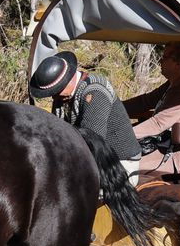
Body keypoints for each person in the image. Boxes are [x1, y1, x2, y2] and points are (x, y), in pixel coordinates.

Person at [30, 51, 142, 182]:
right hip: (91, 159)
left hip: (119, 164)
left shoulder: (95, 91)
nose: (53, 96)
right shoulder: (62, 96)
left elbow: (91, 141)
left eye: (56, 91)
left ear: (67, 80)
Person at [123, 41, 180, 120]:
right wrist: (116, 107)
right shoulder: (172, 84)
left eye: (164, 57)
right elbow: (146, 101)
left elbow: (159, 123)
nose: (160, 61)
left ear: (178, 64)